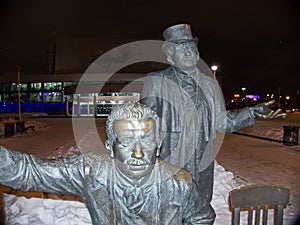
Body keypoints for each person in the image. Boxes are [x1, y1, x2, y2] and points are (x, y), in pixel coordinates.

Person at [0, 103, 215, 225]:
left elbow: (203, 218)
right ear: (110, 147)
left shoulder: (180, 184)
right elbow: (28, 172)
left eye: (147, 141)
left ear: (158, 145)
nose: (138, 153)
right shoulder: (91, 172)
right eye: (127, 142)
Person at [141, 23, 286, 203]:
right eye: (181, 48)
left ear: (198, 54)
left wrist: (251, 112)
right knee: (170, 213)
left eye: (191, 48)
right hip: (171, 164)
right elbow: (144, 123)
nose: (188, 52)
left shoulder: (210, 84)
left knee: (201, 214)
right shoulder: (157, 81)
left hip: (202, 167)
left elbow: (223, 123)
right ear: (170, 57)